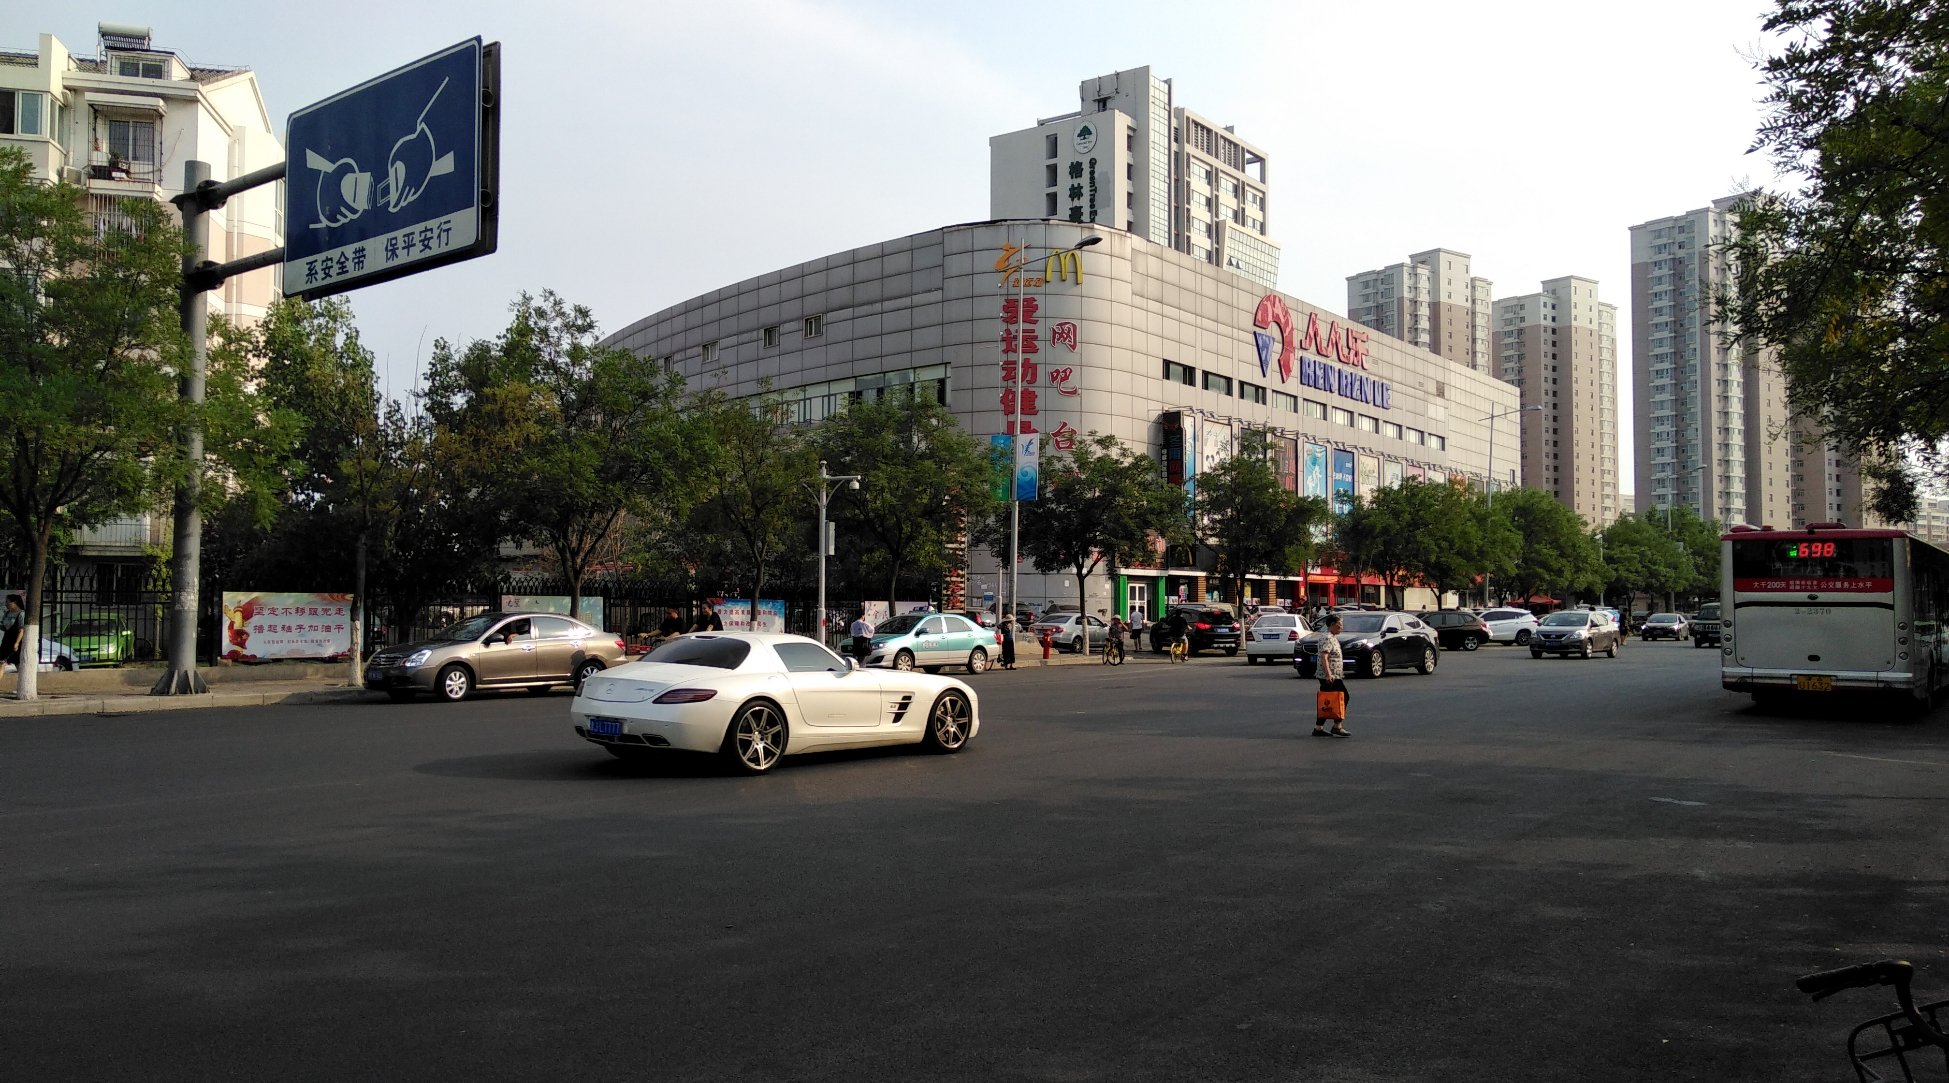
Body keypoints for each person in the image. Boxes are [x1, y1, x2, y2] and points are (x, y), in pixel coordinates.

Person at [1312, 613, 1351, 738]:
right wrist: (1328, 674)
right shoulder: (1327, 637)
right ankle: (1336, 726)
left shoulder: (1333, 637)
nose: (1341, 628)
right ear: (1332, 625)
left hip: (1334, 674)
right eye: (1339, 625)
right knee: (1343, 697)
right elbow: (1324, 656)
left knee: (1326, 701)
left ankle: (1319, 727)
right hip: (1329, 676)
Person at [2, 594, 24, 688]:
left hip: (15, 642)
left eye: (7, 602)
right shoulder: (7, 613)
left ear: (14, 602)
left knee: (18, 664)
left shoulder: (21, 614)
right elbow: (4, 626)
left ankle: (21, 686)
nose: (6, 604)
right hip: (6, 641)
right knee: (1, 662)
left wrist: (17, 643)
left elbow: (21, 630)